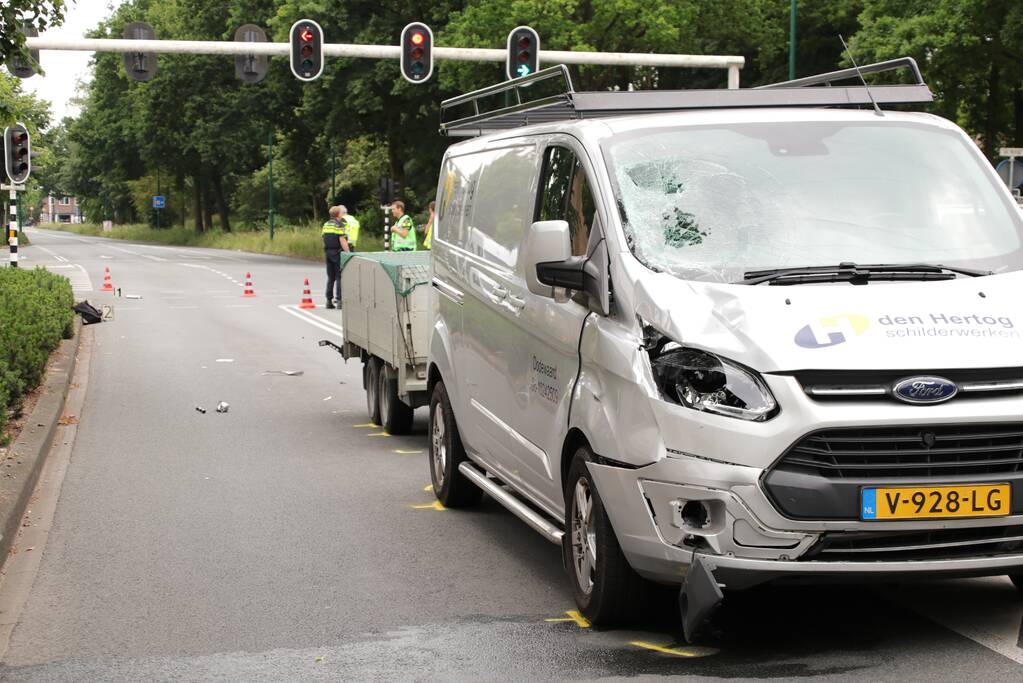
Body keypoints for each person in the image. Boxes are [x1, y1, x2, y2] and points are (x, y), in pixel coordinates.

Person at [321, 205, 350, 309]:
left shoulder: (326, 224)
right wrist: (348, 252)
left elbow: (323, 238)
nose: (343, 215)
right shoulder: (339, 225)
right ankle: (339, 300)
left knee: (330, 277)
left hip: (328, 252)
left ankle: (328, 301)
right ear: (338, 214)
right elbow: (342, 240)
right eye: (341, 213)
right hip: (337, 253)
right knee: (339, 276)